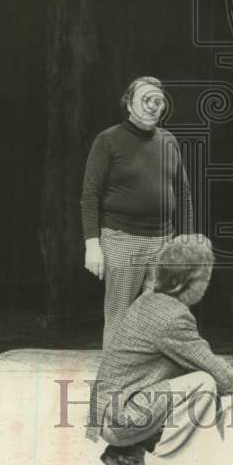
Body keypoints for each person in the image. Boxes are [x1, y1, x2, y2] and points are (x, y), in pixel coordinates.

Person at [86, 236, 233, 465]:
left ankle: (127, 455)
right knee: (204, 384)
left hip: (111, 414)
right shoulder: (174, 318)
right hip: (120, 420)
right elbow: (223, 378)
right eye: (205, 278)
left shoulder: (149, 300)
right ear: (184, 282)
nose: (208, 285)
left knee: (186, 378)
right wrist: (218, 369)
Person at [81, 76, 194, 348]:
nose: (151, 106)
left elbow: (183, 194)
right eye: (144, 99)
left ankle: (146, 382)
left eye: (157, 101)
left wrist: (186, 243)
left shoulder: (169, 142)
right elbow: (90, 195)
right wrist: (92, 245)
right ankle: (114, 384)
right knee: (119, 317)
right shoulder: (108, 140)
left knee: (159, 318)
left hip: (163, 242)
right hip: (121, 240)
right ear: (128, 104)